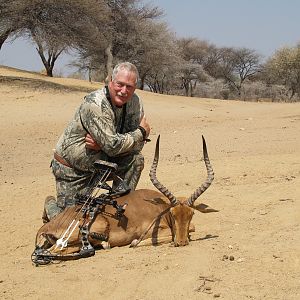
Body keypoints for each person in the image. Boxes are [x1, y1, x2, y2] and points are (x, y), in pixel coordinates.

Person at [43, 62, 150, 221]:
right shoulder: (95, 103)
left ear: (135, 87)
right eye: (120, 84)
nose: (123, 91)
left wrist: (107, 143)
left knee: (136, 160)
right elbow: (114, 146)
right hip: (74, 171)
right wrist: (141, 132)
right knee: (69, 223)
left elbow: (136, 147)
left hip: (104, 163)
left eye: (129, 86)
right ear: (111, 82)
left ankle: (118, 207)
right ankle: (50, 205)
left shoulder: (135, 103)